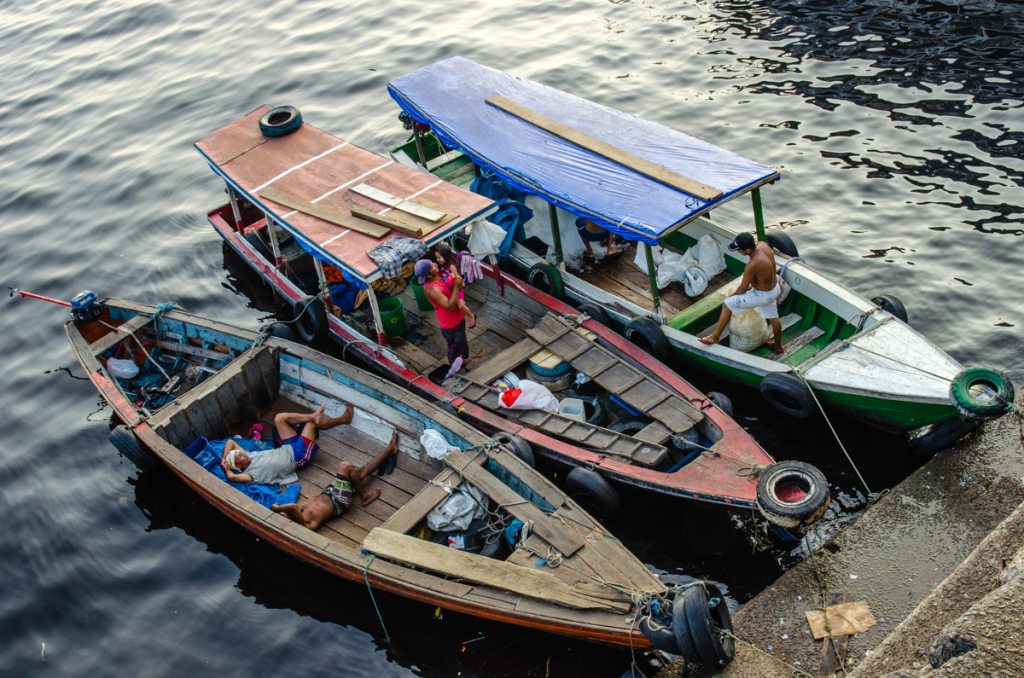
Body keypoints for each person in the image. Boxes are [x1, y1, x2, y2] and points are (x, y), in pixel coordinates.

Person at [272, 432, 398, 531]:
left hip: (329, 492)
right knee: (346, 466)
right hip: (338, 500)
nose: (283, 512)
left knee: (358, 473)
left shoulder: (297, 512)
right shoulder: (304, 524)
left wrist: (278, 511)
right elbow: (292, 507)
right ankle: (364, 496)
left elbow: (291, 508)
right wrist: (277, 510)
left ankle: (389, 450)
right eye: (283, 515)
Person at [220, 403, 354, 485]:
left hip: (287, 447)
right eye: (240, 458)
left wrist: (223, 459)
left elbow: (231, 442)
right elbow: (231, 477)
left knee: (279, 418)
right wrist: (226, 468)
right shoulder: (250, 475)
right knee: (311, 425)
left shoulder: (250, 455)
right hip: (296, 456)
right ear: (238, 466)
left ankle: (313, 416)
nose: (243, 455)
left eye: (240, 454)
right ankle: (343, 419)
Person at [698, 233, 784, 354]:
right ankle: (778, 345)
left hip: (763, 295)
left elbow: (742, 289)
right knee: (774, 318)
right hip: (774, 289)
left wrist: (731, 297)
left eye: (739, 250)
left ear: (748, 250)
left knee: (727, 304)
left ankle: (715, 337)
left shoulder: (752, 264)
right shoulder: (763, 245)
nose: (738, 252)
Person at [415, 258, 469, 374]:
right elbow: (449, 306)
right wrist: (456, 286)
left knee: (461, 341)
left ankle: (462, 360)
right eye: (432, 266)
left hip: (458, 317)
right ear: (428, 275)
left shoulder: (437, 275)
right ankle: (454, 368)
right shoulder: (431, 289)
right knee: (454, 347)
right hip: (450, 322)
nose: (435, 264)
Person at [433, 243, 476, 328]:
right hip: (451, 288)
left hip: (457, 289)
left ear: (446, 256)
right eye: (437, 258)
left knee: (460, 306)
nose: (438, 260)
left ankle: (471, 316)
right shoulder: (441, 267)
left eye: (439, 257)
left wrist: (454, 277)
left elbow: (459, 278)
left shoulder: (451, 267)